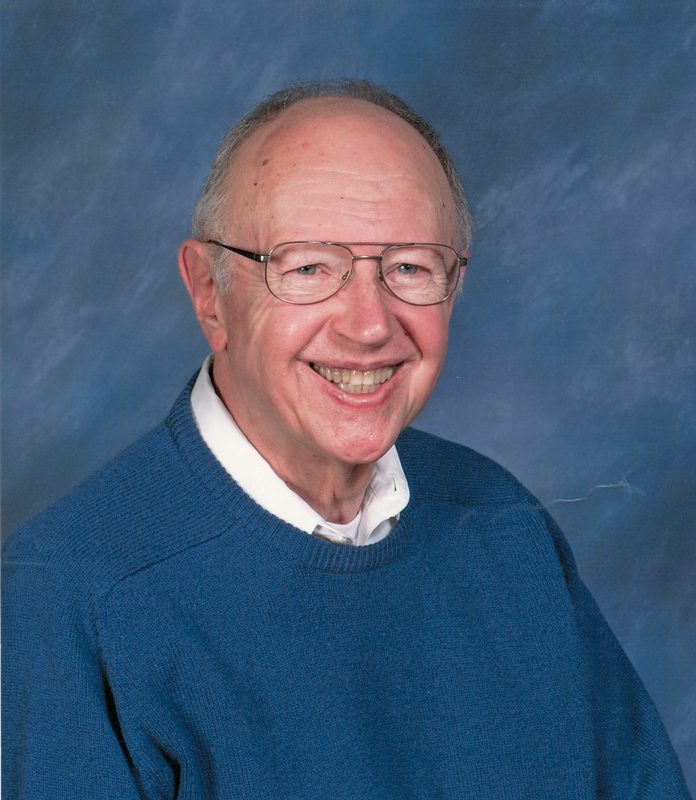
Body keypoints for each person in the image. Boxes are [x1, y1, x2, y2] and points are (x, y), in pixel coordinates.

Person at [3, 80, 690, 799]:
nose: (368, 324)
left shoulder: (505, 525)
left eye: (409, 268)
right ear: (210, 292)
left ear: (453, 286)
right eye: (308, 268)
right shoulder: (72, 592)